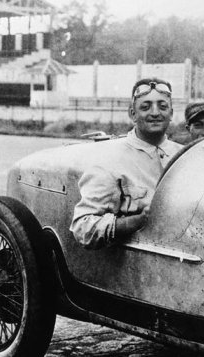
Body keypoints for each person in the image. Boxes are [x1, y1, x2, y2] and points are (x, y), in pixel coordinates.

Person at [70, 77, 182, 249]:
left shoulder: (184, 155)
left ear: (172, 113)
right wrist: (137, 221)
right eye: (145, 107)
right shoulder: (109, 161)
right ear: (132, 114)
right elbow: (83, 228)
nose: (155, 113)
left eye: (162, 106)